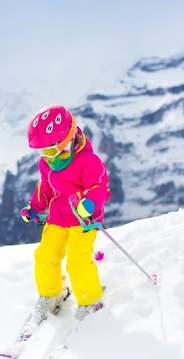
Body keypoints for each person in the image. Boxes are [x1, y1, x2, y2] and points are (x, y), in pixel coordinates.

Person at [20, 104, 111, 321]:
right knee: (45, 255)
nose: (48, 158)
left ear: (68, 140)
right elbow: (46, 187)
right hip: (58, 217)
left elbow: (101, 188)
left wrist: (89, 203)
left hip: (83, 220)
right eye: (42, 153)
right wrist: (35, 207)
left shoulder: (89, 162)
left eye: (51, 151)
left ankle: (90, 301)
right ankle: (51, 295)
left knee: (77, 262)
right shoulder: (48, 164)